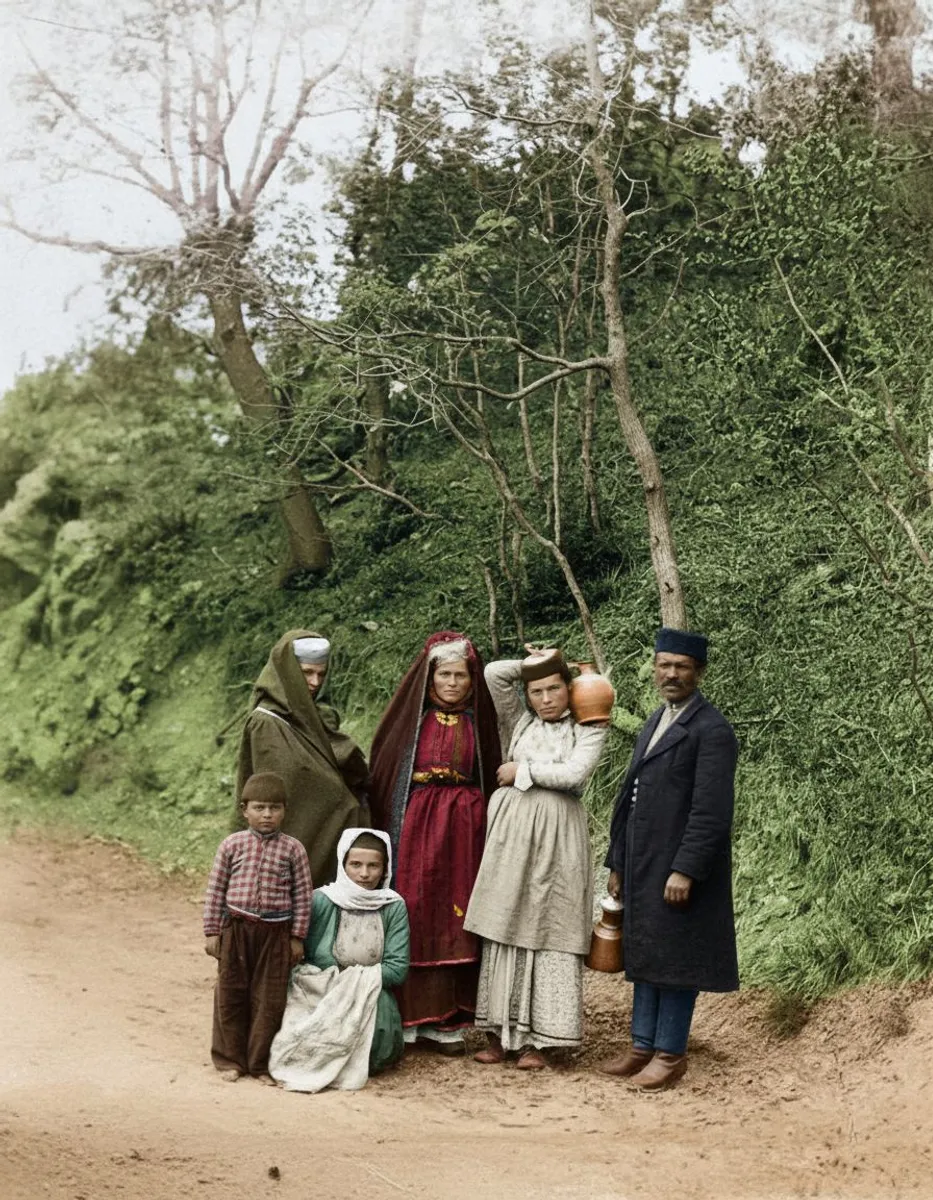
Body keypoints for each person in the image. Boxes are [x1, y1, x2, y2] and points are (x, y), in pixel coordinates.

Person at [600, 627, 739, 1090]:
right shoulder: (658, 717)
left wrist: (686, 868)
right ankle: (642, 1046)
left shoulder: (711, 730)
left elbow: (711, 812)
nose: (672, 674)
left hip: (677, 867)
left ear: (699, 672)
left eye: (682, 666)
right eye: (664, 665)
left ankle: (670, 1053)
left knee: (676, 958)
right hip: (643, 861)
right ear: (655, 668)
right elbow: (629, 798)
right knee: (647, 951)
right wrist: (618, 861)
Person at [464, 646, 609, 1070]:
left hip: (558, 832)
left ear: (571, 689)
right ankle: (498, 1034)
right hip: (511, 831)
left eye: (554, 688)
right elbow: (494, 674)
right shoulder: (519, 719)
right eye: (537, 691)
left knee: (549, 922)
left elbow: (574, 774)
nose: (545, 699)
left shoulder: (590, 725)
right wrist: (545, 658)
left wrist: (520, 771)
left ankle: (539, 1043)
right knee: (505, 918)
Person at [368, 632, 501, 1053]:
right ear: (430, 677)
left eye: (460, 674)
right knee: (416, 910)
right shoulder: (412, 722)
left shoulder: (478, 724)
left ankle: (448, 1022)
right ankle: (408, 1019)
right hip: (417, 828)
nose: (452, 683)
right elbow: (387, 769)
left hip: (464, 831)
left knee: (457, 916)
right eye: (444, 674)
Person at [269, 828, 410, 1092]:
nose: (364, 874)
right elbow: (303, 957)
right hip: (320, 986)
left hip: (368, 991)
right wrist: (331, 980)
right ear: (342, 864)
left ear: (385, 868)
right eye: (355, 865)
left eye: (373, 866)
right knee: (294, 1039)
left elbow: (397, 969)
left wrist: (353, 982)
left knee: (379, 1051)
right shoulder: (321, 900)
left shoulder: (393, 906)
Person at [203, 771, 312, 1085]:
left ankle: (260, 1064)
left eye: (275, 808)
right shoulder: (232, 846)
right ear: (244, 810)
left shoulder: (293, 850)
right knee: (230, 992)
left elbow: (303, 896)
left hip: (276, 935)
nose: (267, 815)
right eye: (260, 808)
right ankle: (230, 1061)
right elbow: (215, 889)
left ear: (284, 811)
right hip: (237, 930)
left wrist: (296, 937)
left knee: (270, 999)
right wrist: (213, 931)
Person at [235, 629, 368, 885]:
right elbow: (280, 784)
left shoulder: (314, 714)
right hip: (292, 832)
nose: (315, 682)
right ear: (288, 672)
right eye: (307, 673)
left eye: (321, 674)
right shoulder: (266, 722)